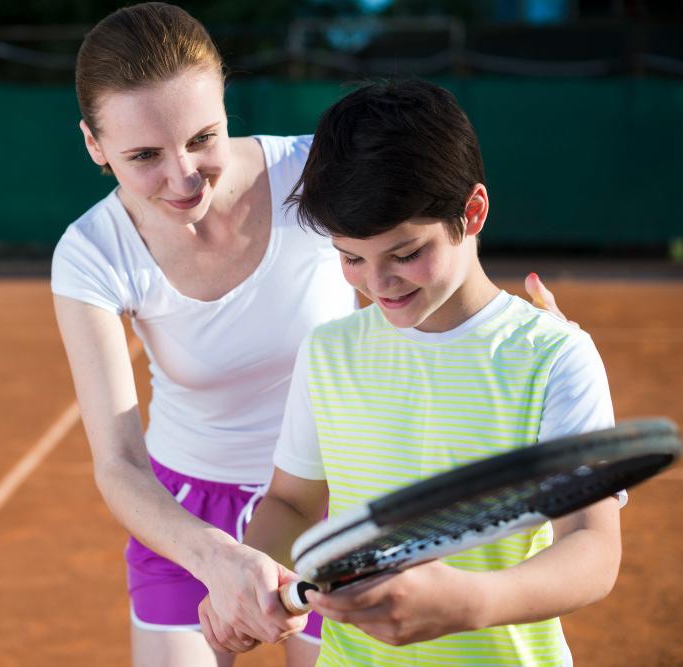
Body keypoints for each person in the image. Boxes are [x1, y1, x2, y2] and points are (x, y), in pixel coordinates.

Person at [52, 4, 569, 665]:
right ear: (95, 146)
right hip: (186, 518)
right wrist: (219, 557)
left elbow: (418, 269)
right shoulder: (92, 251)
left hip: (336, 497)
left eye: (203, 137)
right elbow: (119, 461)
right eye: (145, 155)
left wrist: (517, 335)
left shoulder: (309, 174)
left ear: (226, 107)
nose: (183, 176)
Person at [197, 80, 622, 666]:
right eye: (351, 257)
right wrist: (249, 578)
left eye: (404, 254)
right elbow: (292, 503)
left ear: (471, 212)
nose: (379, 284)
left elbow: (592, 546)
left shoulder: (553, 357)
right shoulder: (327, 352)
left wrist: (474, 600)